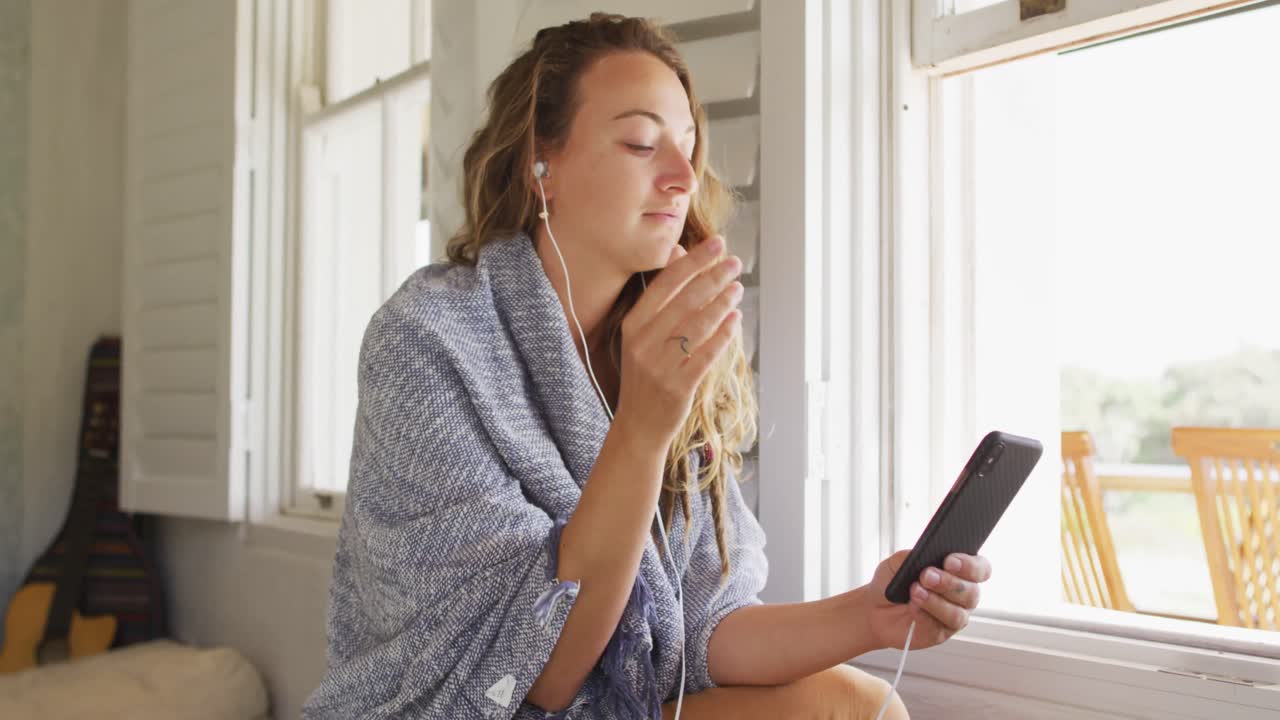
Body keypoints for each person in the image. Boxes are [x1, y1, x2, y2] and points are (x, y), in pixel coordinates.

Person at [303, 13, 991, 720]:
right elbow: (533, 676)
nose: (681, 177)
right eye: (640, 142)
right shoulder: (427, 342)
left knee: (859, 704)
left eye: (689, 147)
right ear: (543, 160)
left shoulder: (668, 342)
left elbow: (703, 628)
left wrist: (870, 615)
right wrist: (642, 424)